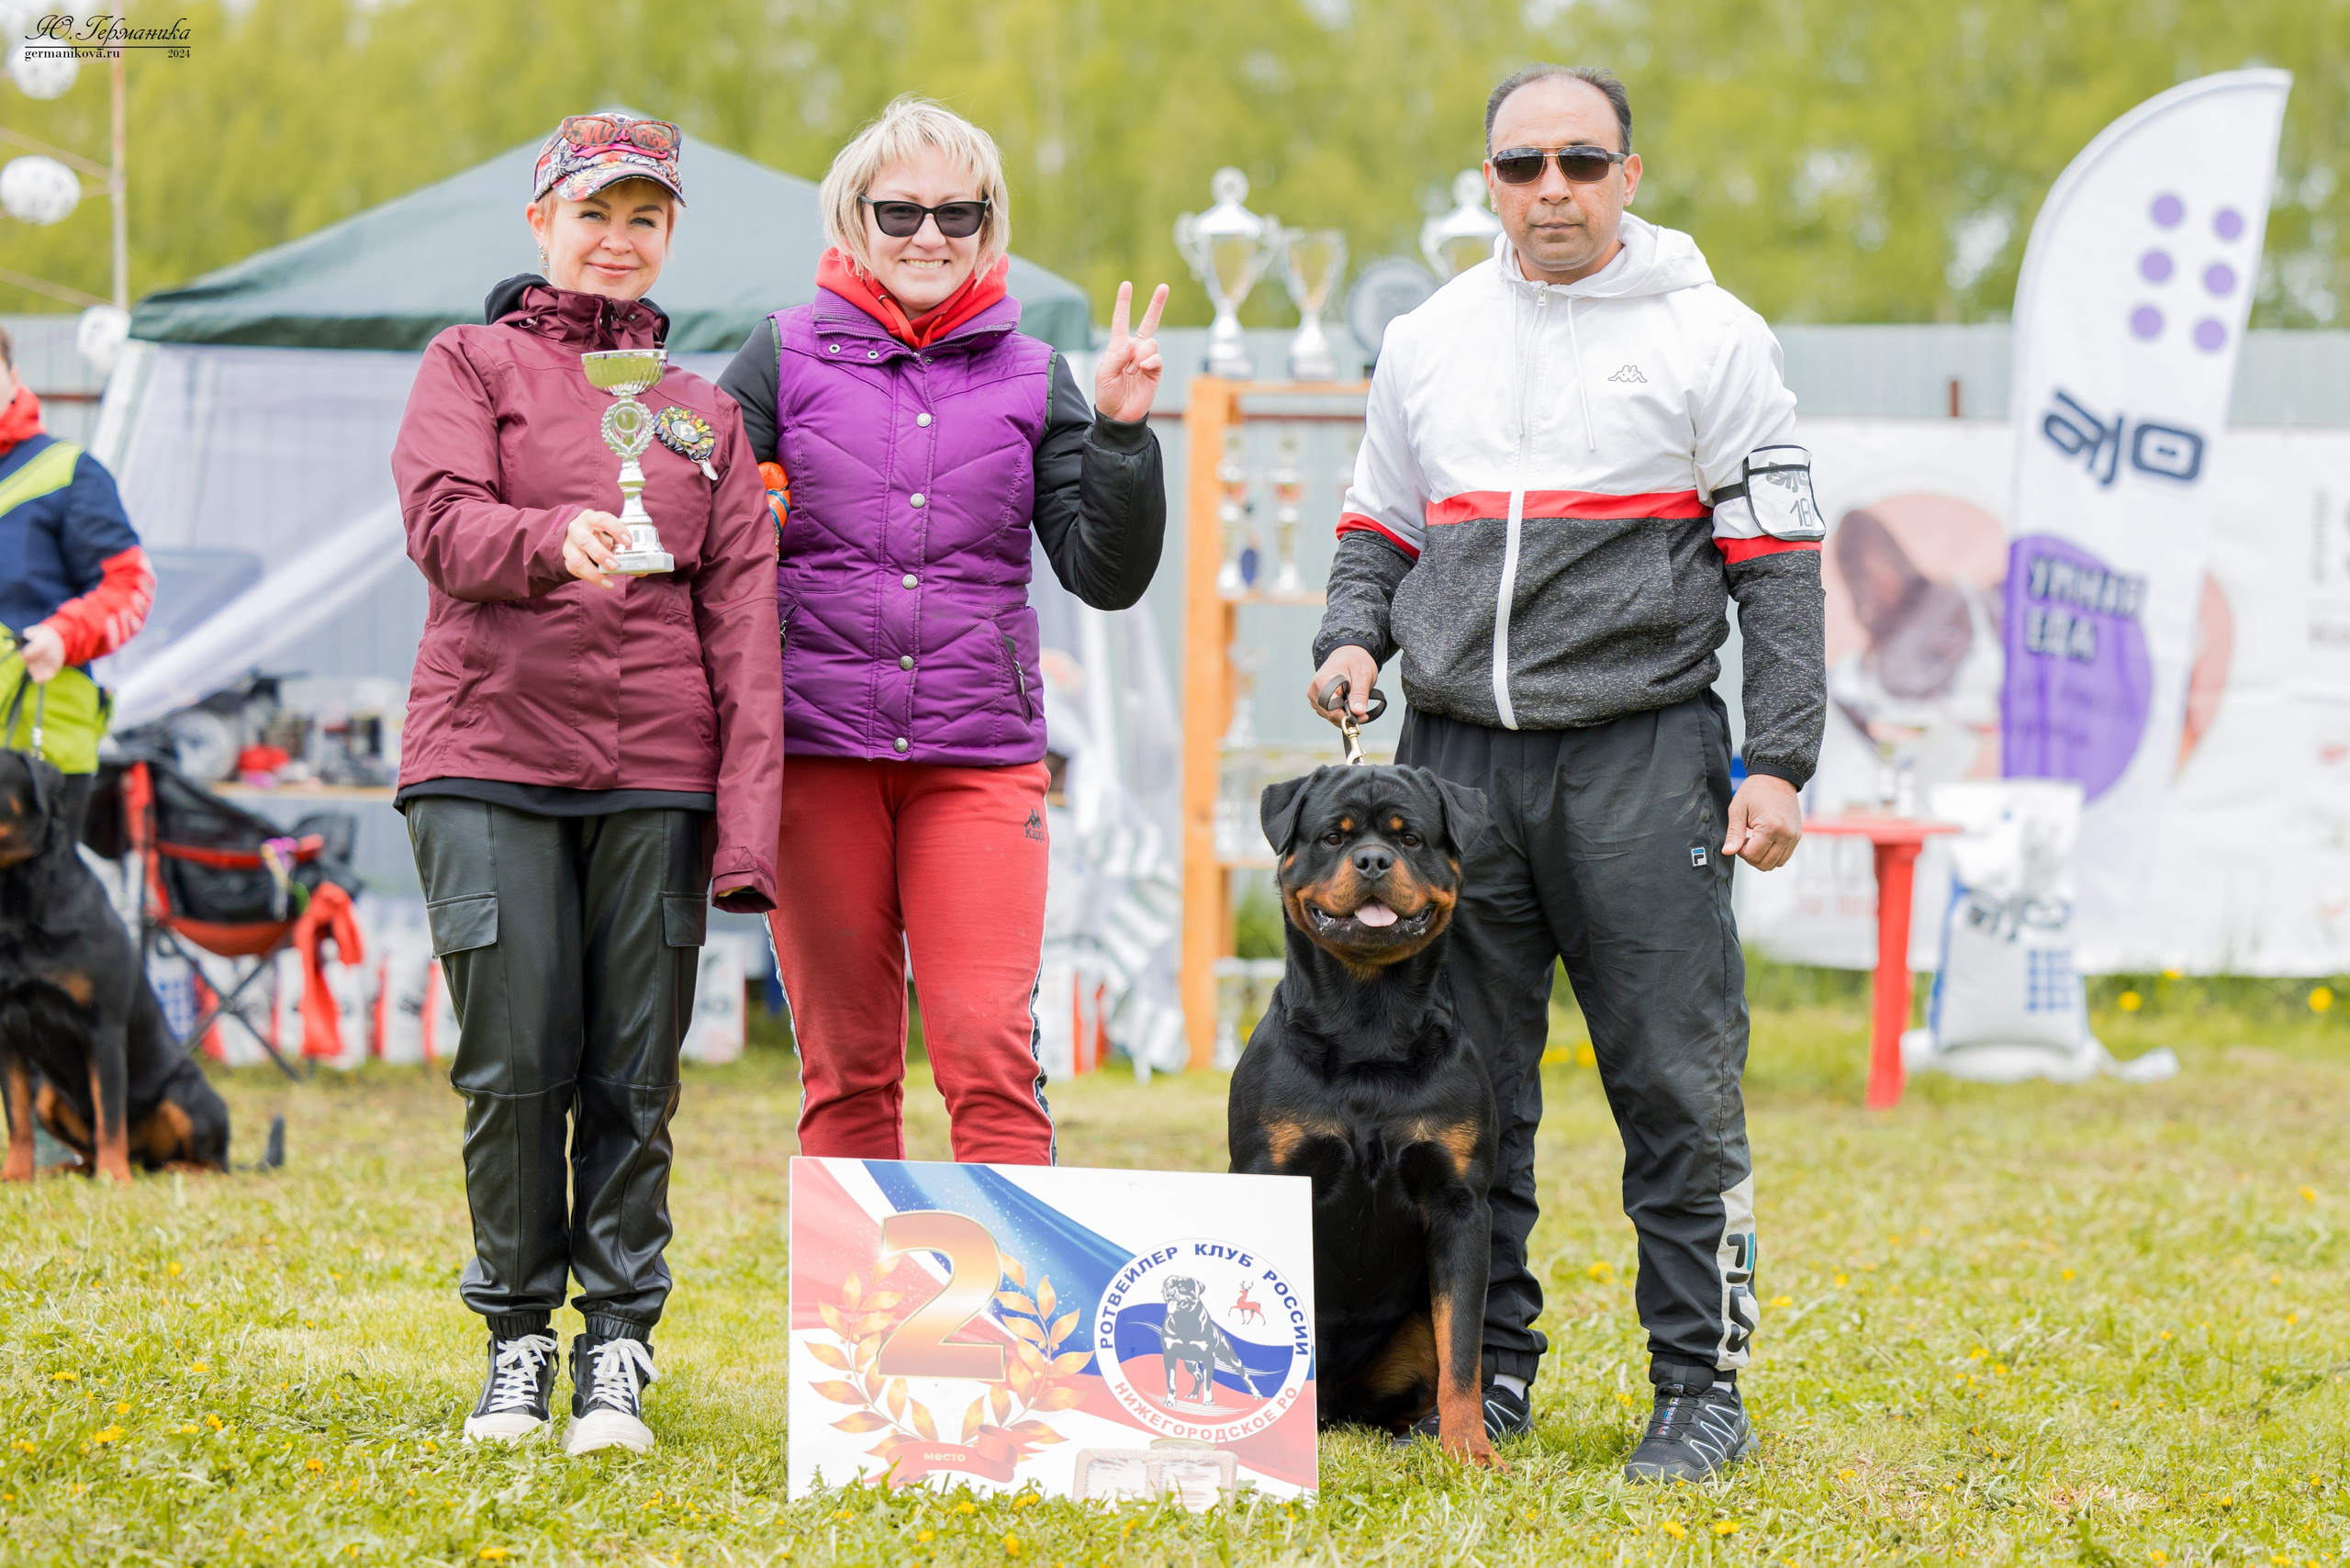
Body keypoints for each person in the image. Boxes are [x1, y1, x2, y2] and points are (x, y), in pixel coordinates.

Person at [1306, 64, 1824, 1481]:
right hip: (1453, 765)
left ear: (1628, 177)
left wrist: (1777, 760)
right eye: (1523, 165)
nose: (1551, 190)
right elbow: (1378, 523)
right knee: (1467, 1091)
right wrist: (1352, 634)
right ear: (1488, 181)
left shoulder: (1716, 337)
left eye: (1580, 164)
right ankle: (1492, 1368)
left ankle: (1698, 1384)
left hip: (1643, 754)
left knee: (1673, 1078)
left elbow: (1778, 568)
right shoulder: (1428, 336)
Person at [390, 113, 783, 1456]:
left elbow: (743, 621)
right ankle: (515, 1338)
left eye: (646, 218)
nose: (617, 241)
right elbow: (439, 524)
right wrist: (560, 537)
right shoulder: (470, 360)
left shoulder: (704, 411)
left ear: (670, 237)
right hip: (486, 756)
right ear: (539, 223)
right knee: (514, 1063)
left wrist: (747, 821)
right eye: (593, 212)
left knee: (635, 1074)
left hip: (657, 772)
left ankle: (618, 1343)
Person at [720, 96, 1168, 1166]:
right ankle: (853, 1334)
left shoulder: (1035, 375)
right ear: (852, 220)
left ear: (989, 227)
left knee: (987, 1051)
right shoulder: (777, 356)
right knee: (847, 1065)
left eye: (958, 214)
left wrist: (1118, 432)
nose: (929, 235)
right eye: (902, 211)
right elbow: (707, 544)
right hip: (817, 755)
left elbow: (1105, 574)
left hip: (978, 760)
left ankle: (1021, 1329)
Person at [0, 325, 155, 837]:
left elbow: (130, 587)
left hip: (38, 764)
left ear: (14, 377)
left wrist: (62, 635)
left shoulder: (69, 472)